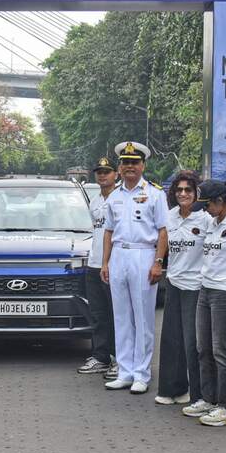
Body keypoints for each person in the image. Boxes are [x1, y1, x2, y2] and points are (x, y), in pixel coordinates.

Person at [181, 179, 226, 427]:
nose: (205, 209)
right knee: (204, 348)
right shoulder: (214, 223)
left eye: (208, 204)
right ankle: (209, 398)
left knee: (221, 350)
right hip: (207, 288)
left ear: (220, 202)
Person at [101, 141, 167, 395]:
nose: (130, 167)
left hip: (143, 254)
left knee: (143, 318)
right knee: (121, 317)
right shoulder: (115, 196)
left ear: (143, 165)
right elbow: (108, 231)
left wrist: (158, 262)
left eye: (134, 162)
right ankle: (125, 371)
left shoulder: (155, 193)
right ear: (120, 167)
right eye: (126, 162)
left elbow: (163, 231)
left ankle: (142, 373)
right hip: (119, 255)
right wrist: (105, 262)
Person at [155, 170, 210, 406]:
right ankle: (171, 389)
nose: (183, 194)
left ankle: (198, 395)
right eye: (179, 190)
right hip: (174, 283)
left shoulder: (206, 218)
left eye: (188, 189)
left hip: (196, 286)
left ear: (197, 192)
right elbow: (163, 242)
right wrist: (158, 262)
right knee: (171, 339)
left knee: (192, 342)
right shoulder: (170, 217)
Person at [78, 157, 117, 376]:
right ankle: (101, 356)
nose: (102, 175)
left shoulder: (121, 200)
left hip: (113, 265)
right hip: (94, 264)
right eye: (99, 172)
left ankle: (118, 359)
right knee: (98, 314)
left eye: (107, 171)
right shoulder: (93, 201)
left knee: (117, 315)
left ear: (116, 174)